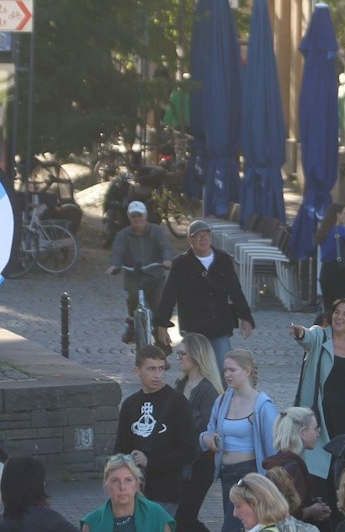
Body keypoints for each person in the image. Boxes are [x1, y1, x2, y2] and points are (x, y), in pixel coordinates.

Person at [204, 349, 281, 532]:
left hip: (248, 473)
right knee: (238, 526)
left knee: (230, 531)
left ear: (247, 371)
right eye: (225, 371)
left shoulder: (263, 405)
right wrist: (208, 439)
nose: (227, 375)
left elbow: (273, 448)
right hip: (226, 472)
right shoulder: (221, 401)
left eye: (232, 370)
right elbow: (208, 431)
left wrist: (270, 481)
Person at [158, 220, 257, 371]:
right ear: (190, 240)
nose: (203, 239)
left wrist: (246, 317)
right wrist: (162, 324)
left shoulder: (223, 259)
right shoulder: (181, 264)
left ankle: (223, 395)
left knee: (224, 370)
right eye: (198, 236)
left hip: (219, 326)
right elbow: (169, 295)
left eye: (206, 235)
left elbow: (235, 290)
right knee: (194, 372)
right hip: (194, 327)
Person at [116, 344, 200, 512]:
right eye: (151, 369)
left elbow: (190, 450)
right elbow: (120, 448)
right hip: (133, 491)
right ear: (137, 371)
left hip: (165, 491)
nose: (157, 375)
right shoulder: (130, 404)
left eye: (161, 369)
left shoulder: (177, 402)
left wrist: (151, 462)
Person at [292, 297, 345, 445]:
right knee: (321, 457)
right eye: (337, 312)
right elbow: (307, 337)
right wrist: (300, 333)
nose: (339, 317)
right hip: (322, 410)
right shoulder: (320, 335)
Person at [175, 340, 226, 532]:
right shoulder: (180, 384)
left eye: (182, 354)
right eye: (178, 354)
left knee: (184, 517)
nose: (178, 358)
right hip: (179, 462)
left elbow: (207, 429)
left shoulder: (208, 391)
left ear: (196, 356)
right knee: (177, 518)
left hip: (199, 464)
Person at [106, 200, 177, 346]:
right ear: (129, 217)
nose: (137, 219)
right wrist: (115, 265)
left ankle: (163, 349)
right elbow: (117, 252)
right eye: (133, 216)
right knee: (132, 296)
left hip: (154, 275)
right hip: (133, 275)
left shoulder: (156, 231)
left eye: (140, 215)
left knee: (159, 309)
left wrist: (166, 260)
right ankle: (132, 323)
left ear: (145, 216)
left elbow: (165, 247)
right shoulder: (123, 235)